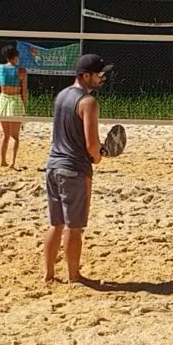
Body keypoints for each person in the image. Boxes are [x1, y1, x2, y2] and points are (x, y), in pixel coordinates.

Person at [43, 53, 111, 284]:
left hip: (53, 166)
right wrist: (98, 156)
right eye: (99, 74)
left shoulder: (62, 95)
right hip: (74, 169)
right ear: (85, 76)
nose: (103, 78)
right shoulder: (88, 102)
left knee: (56, 224)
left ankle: (48, 274)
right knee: (74, 227)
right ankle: (74, 276)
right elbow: (91, 144)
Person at [0, 44, 28, 169]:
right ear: (16, 56)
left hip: (3, 100)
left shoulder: (1, 67)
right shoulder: (22, 71)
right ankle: (13, 163)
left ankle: (2, 161)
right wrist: (24, 105)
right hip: (15, 100)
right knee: (15, 136)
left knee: (5, 134)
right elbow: (24, 91)